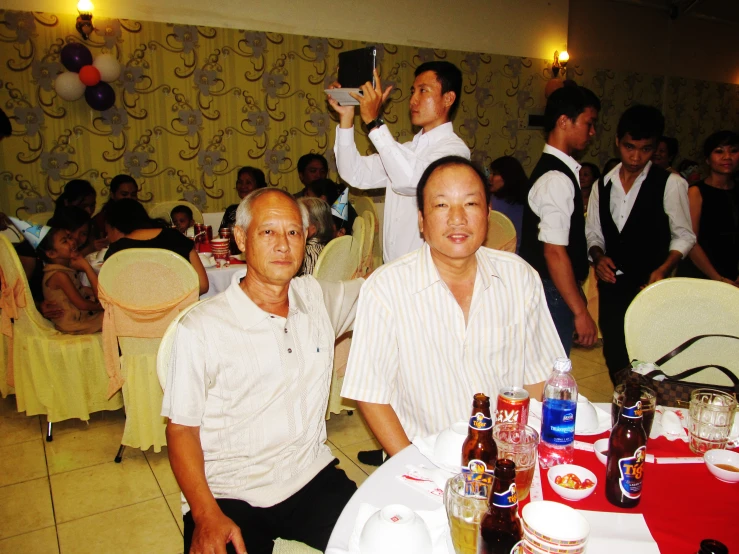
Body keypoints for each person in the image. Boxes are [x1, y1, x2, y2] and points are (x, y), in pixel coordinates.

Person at [161, 188, 363, 554]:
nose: (283, 245)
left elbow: (381, 293)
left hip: (308, 474)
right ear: (241, 238)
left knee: (384, 540)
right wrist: (206, 514)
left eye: (293, 233)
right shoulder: (201, 328)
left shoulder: (315, 297)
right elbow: (181, 430)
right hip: (227, 490)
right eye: (268, 232)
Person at [341, 156, 564, 457]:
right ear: (421, 219)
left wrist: (521, 450)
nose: (457, 218)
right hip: (425, 455)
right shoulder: (385, 290)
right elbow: (371, 394)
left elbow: (539, 374)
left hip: (505, 457)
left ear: (488, 212)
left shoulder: (519, 277)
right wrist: (411, 465)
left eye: (470, 204)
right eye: (441, 205)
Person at [586, 105, 695, 383]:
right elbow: (594, 234)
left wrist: (664, 267)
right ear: (617, 142)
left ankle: (639, 413)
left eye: (645, 149)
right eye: (629, 147)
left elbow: (684, 235)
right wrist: (598, 257)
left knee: (647, 360)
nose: (635, 157)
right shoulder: (602, 185)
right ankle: (626, 410)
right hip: (611, 287)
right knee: (615, 356)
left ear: (656, 148)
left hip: (649, 287)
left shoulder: (670, 183)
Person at [329, 61, 470, 263]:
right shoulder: (405, 150)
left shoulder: (454, 151)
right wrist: (346, 117)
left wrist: (374, 123)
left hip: (428, 274)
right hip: (394, 271)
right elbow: (354, 173)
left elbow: (410, 180)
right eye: (413, 91)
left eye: (423, 91)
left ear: (448, 98)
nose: (413, 100)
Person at [519, 85, 601, 355]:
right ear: (564, 121)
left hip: (550, 288)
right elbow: (554, 252)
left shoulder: (557, 171)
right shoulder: (556, 178)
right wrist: (580, 311)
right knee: (552, 370)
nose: (592, 132)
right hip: (552, 290)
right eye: (588, 123)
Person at [104, 199, 209, 295]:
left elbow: (108, 294)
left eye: (107, 231)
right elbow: (203, 285)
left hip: (135, 314)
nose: (108, 237)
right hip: (177, 312)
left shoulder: (115, 252)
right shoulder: (175, 237)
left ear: (115, 227)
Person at [677, 130, 739, 285]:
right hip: (700, 274)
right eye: (719, 152)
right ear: (707, 159)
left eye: (734, 151)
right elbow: (691, 241)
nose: (727, 157)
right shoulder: (696, 192)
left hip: (731, 272)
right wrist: (718, 279)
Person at [38, 226, 104, 334]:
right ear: (51, 254)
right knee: (113, 317)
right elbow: (81, 304)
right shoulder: (59, 275)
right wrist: (101, 307)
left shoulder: (65, 269)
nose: (72, 241)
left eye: (69, 237)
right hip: (72, 324)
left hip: (81, 317)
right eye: (65, 241)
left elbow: (81, 289)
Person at [488, 155, 528, 252]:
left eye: (495, 174)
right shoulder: (528, 200)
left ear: (508, 176)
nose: (490, 178)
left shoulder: (494, 202)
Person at [91, 174, 139, 243]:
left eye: (133, 195)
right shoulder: (101, 219)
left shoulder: (140, 216)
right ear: (112, 195)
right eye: (124, 194)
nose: (129, 198)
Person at [297, 196, 334, 275]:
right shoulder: (326, 247)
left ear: (314, 227)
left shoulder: (308, 254)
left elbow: (307, 286)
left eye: (300, 219)